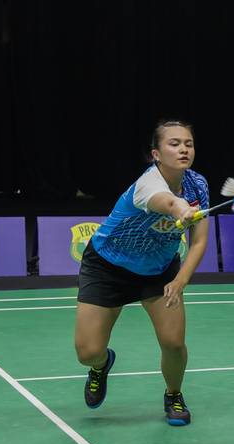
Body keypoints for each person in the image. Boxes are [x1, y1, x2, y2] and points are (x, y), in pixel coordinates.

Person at [74, 120, 210, 426]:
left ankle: (173, 394)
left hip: (159, 270)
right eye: (174, 144)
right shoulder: (148, 183)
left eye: (188, 143)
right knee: (87, 351)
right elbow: (163, 200)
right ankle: (100, 366)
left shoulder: (198, 185)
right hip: (108, 266)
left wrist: (180, 280)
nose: (183, 149)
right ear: (156, 153)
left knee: (174, 343)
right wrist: (179, 210)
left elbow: (200, 240)